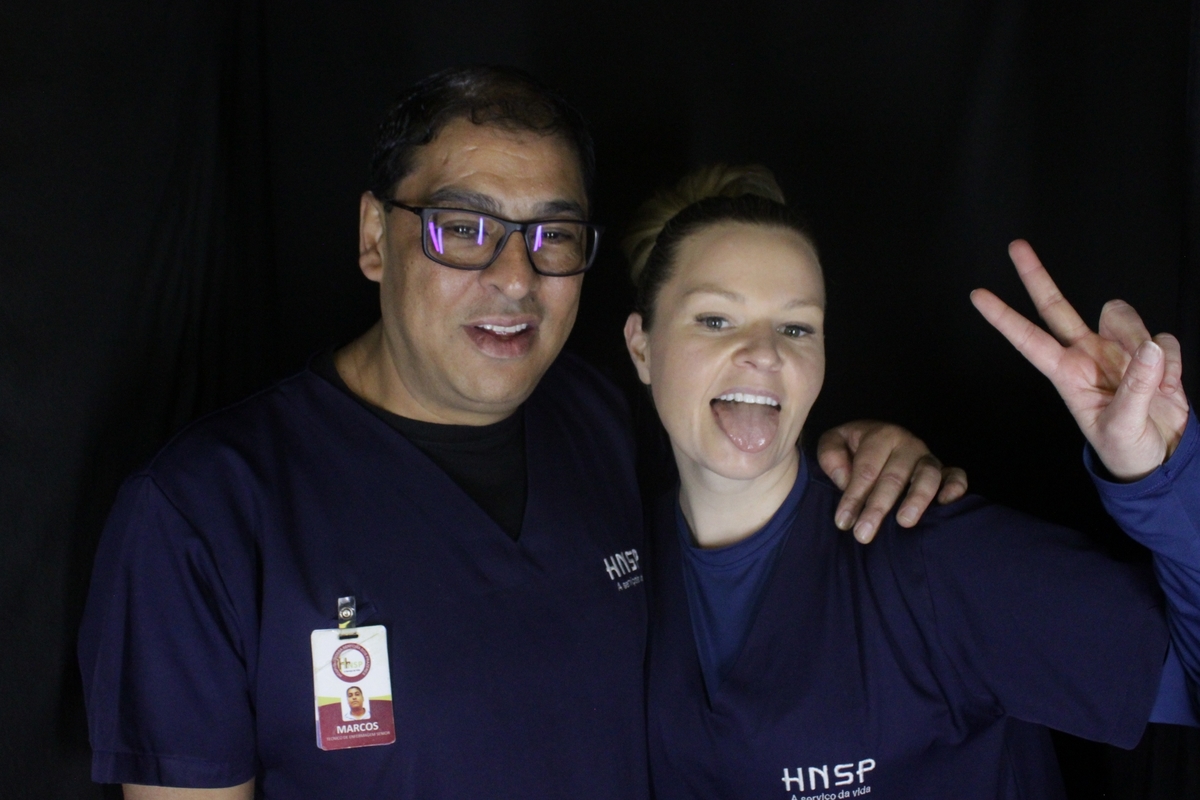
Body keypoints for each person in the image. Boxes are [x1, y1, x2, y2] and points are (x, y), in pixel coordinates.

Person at [78, 68, 965, 799]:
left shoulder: (602, 418)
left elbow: (749, 487)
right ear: (375, 238)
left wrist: (867, 452)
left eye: (554, 235)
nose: (515, 276)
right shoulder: (203, 514)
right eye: (464, 228)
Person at [622, 164, 1200, 799]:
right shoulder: (622, 563)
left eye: (796, 327)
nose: (766, 352)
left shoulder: (929, 558)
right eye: (714, 319)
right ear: (642, 347)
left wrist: (1161, 475)